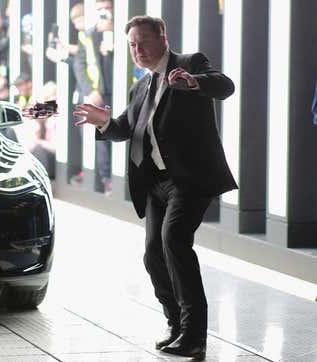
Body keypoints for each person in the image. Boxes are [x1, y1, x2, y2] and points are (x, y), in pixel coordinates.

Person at [74, 16, 236, 360]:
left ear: (163, 39)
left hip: (189, 179)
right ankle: (176, 323)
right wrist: (105, 123)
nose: (138, 50)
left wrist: (193, 82)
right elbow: (126, 129)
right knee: (152, 253)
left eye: (144, 41)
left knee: (174, 241)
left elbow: (223, 85)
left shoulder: (188, 64)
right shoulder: (141, 87)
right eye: (132, 44)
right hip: (156, 183)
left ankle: (194, 336)